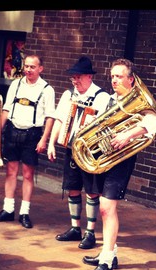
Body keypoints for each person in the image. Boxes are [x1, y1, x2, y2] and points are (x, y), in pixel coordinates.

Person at [82, 58, 156, 270]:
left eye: (119, 76)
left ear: (130, 79)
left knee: (107, 208)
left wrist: (128, 135)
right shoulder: (108, 100)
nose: (114, 80)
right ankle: (110, 253)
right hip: (104, 159)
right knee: (102, 207)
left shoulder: (137, 100)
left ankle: (106, 264)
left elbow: (155, 124)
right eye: (113, 76)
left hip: (121, 161)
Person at [47, 56, 110, 249]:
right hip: (71, 148)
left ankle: (90, 232)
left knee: (92, 191)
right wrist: (51, 143)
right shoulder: (68, 94)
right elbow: (59, 119)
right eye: (73, 77)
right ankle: (75, 228)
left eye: (78, 77)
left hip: (91, 153)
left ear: (90, 77)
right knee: (72, 187)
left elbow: (105, 126)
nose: (75, 81)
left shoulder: (102, 97)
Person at [0, 54, 55, 229]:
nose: (28, 70)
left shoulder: (47, 89)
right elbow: (6, 109)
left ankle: (24, 213)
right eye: (26, 66)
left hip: (32, 134)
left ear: (40, 69)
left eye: (32, 67)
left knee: (27, 174)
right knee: (11, 172)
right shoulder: (16, 84)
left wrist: (44, 139)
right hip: (12, 131)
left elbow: (50, 117)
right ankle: (8, 210)